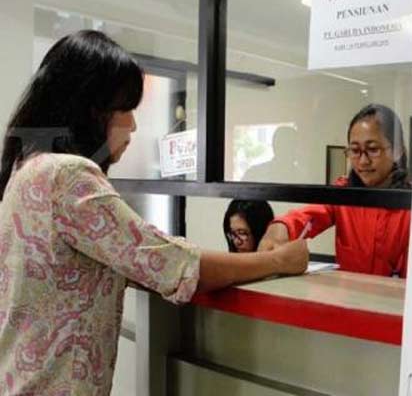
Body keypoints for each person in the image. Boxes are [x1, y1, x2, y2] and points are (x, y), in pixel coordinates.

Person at [0, 30, 308, 395]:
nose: (133, 125)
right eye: (126, 109)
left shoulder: (29, 167)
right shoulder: (67, 175)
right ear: (91, 109)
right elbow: (174, 265)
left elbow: (137, 259)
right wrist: (280, 261)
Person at [258, 104, 411, 277]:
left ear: (398, 150)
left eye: (373, 149)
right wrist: (280, 227)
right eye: (354, 151)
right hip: (349, 297)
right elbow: (308, 216)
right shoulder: (343, 193)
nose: (362, 161)